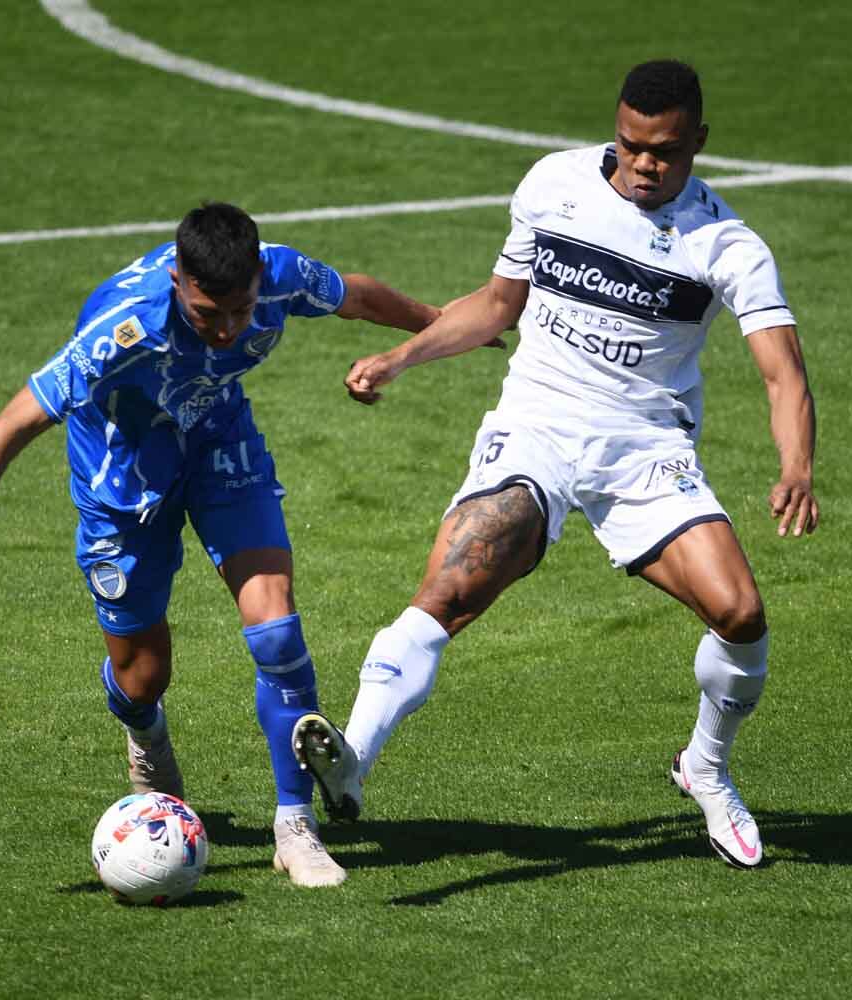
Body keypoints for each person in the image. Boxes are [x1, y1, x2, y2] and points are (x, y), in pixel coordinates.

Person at [292, 60, 818, 870]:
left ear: (699, 144)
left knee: (741, 614)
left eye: (665, 153)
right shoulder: (554, 185)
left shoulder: (727, 244)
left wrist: (797, 465)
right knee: (454, 583)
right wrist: (402, 357)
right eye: (631, 146)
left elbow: (782, 370)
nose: (644, 166)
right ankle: (353, 759)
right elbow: (498, 305)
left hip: (646, 445)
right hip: (538, 420)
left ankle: (705, 769)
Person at [0, 202, 440, 888]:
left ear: (260, 276)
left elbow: (356, 295)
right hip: (124, 476)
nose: (229, 328)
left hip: (217, 443)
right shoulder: (122, 331)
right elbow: (11, 424)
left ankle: (296, 826)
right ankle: (143, 730)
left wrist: (441, 329)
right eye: (209, 315)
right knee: (144, 673)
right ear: (178, 281)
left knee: (277, 628)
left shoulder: (282, 275)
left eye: (240, 309)